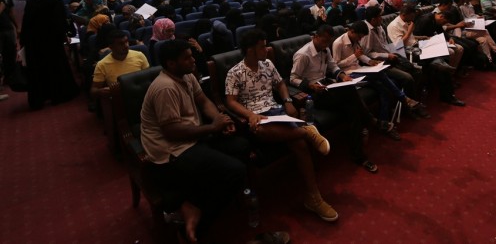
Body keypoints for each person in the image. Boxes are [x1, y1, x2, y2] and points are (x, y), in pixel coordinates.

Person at [140, 39, 249, 243]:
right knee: (236, 171)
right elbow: (171, 132)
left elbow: (203, 101)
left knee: (241, 146)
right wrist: (212, 128)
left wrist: (220, 120)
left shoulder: (187, 75)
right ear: (171, 63)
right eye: (187, 58)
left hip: (192, 136)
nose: (193, 60)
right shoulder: (165, 87)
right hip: (172, 151)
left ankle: (196, 200)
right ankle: (194, 224)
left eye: (192, 56)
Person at [225, 29, 338, 222]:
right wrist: (250, 114)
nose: (267, 49)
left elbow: (281, 84)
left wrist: (287, 100)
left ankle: (314, 197)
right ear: (250, 50)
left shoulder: (267, 64)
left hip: (275, 111)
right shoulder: (234, 72)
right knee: (261, 130)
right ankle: (306, 131)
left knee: (299, 145)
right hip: (257, 116)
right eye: (262, 47)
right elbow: (230, 101)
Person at [290, 25, 378, 173]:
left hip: (327, 86)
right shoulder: (303, 55)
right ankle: (370, 120)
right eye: (323, 41)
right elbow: (293, 78)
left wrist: (342, 76)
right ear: (315, 37)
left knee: (352, 107)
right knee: (351, 97)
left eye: (328, 42)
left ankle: (358, 155)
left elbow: (333, 67)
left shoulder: (325, 49)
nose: (326, 45)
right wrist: (310, 85)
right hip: (314, 93)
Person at [20, 0, 79, 110]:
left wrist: (23, 40)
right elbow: (59, 22)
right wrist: (65, 36)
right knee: (55, 67)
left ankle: (39, 98)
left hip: (33, 41)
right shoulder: (55, 1)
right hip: (51, 41)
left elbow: (26, 22)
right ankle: (58, 95)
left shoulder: (32, 1)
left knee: (38, 69)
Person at [90, 29, 149, 99]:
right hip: (120, 99)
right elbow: (93, 91)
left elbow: (148, 78)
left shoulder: (139, 55)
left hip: (142, 94)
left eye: (126, 41)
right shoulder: (102, 64)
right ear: (111, 47)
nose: (126, 45)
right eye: (121, 44)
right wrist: (100, 91)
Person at [0, 0, 19, 97]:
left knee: (10, 52)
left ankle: (10, 76)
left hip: (7, 28)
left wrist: (17, 27)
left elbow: (11, 12)